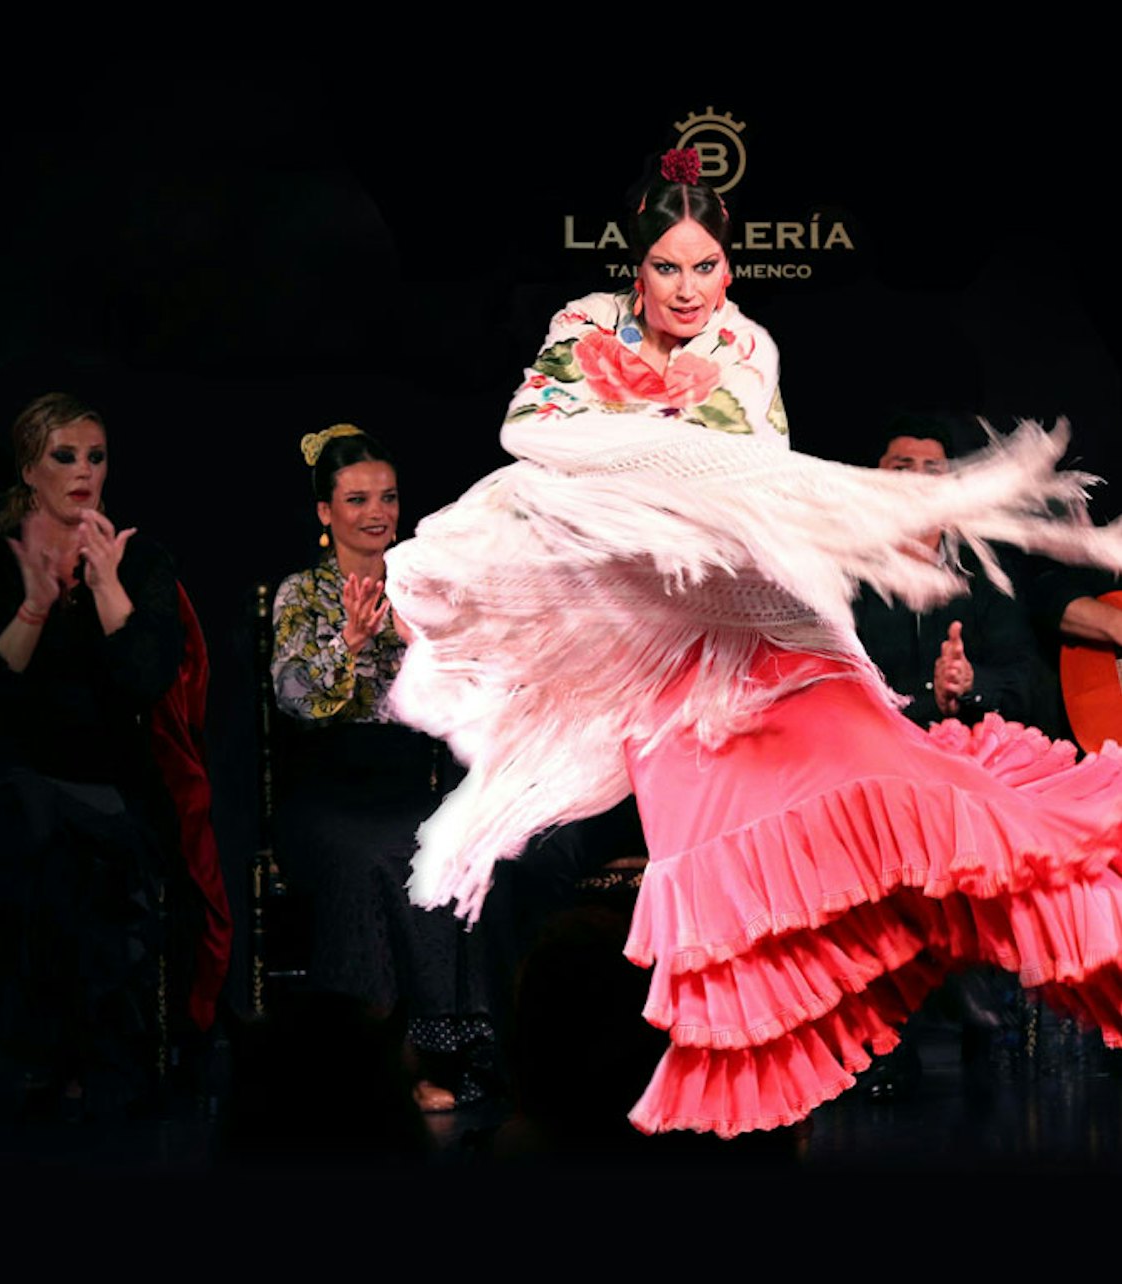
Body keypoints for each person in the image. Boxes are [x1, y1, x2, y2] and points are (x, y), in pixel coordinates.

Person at [384, 148, 1122, 1139]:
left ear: (729, 269)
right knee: (713, 856)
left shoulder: (749, 347)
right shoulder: (583, 329)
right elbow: (537, 438)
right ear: (635, 272)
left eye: (705, 269)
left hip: (756, 613)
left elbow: (732, 481)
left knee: (889, 774)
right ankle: (708, 1089)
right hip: (657, 643)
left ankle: (1073, 893)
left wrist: (633, 453)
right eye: (667, 270)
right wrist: (651, 462)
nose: (688, 292)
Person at [0, 392, 189, 1121]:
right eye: (65, 456)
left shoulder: (140, 559)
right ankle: (45, 1057)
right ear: (30, 469)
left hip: (114, 785)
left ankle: (91, 1063)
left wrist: (106, 586)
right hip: (14, 782)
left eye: (96, 456)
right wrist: (35, 604)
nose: (84, 470)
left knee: (83, 849)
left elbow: (146, 682)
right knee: (30, 823)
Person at [270, 424, 491, 1112]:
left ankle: (445, 1056)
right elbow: (295, 700)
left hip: (407, 789)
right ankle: (371, 1068)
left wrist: (425, 646)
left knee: (452, 852)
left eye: (387, 498)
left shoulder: (426, 591)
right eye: (358, 498)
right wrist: (349, 642)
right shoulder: (301, 595)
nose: (376, 513)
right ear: (324, 512)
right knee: (371, 858)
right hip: (326, 795)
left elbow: (474, 695)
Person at [854, 417, 1047, 730]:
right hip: (874, 751)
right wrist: (933, 703)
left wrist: (970, 683)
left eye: (933, 470)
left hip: (970, 754)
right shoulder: (847, 574)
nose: (918, 481)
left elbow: (1024, 681)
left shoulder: (986, 574)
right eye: (902, 468)